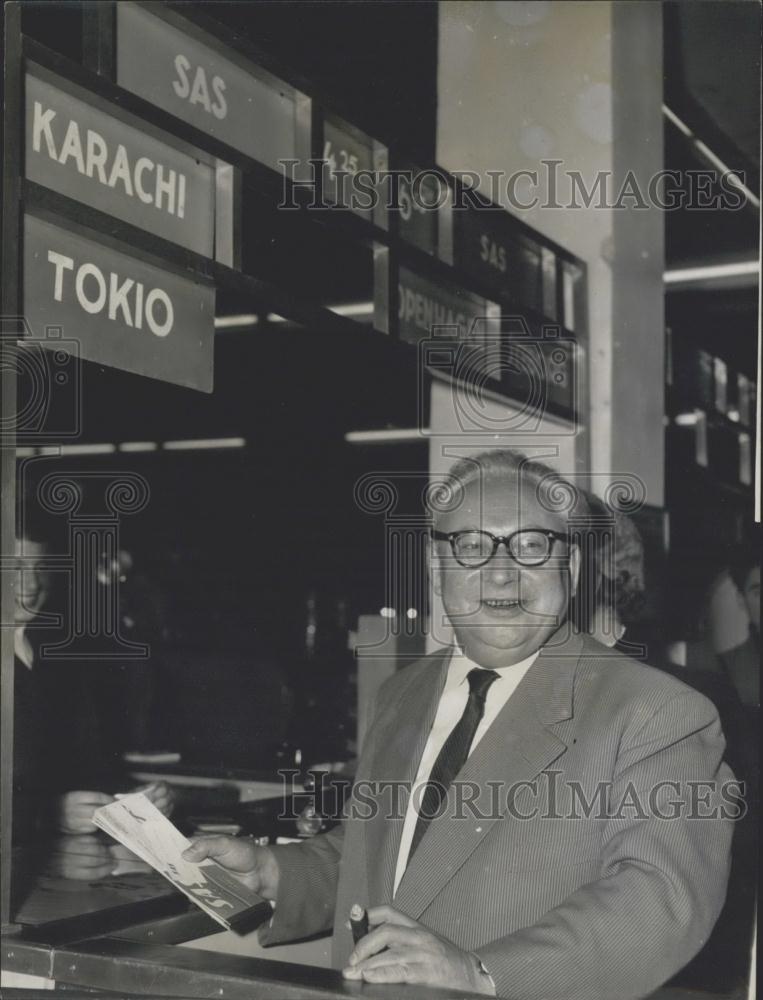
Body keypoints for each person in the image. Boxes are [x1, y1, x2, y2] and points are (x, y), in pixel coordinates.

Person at [184, 450, 733, 1000]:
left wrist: (480, 972)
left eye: (531, 545)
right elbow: (379, 851)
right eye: (471, 545)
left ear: (571, 567)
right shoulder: (403, 694)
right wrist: (275, 875)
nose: (501, 571)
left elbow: (659, 896)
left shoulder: (656, 711)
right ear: (434, 565)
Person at [12, 501, 173, 846]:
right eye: (15, 566)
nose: (31, 583)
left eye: (42, 567)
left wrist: (132, 801)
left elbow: (86, 766)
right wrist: (46, 814)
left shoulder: (58, 660)